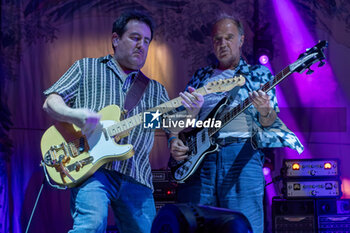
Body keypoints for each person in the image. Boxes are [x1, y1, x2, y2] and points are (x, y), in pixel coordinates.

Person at [43, 10, 203, 233]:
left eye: (146, 41)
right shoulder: (86, 68)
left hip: (136, 176)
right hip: (92, 171)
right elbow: (51, 101)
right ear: (116, 39)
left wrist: (191, 114)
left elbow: (169, 126)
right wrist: (76, 115)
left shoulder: (154, 90)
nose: (142, 45)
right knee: (90, 225)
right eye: (135, 38)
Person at [169, 15, 303, 233]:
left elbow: (270, 123)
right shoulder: (200, 76)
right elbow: (180, 121)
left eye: (229, 38)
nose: (223, 44)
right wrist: (175, 139)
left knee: (243, 225)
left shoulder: (258, 74)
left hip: (242, 156)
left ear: (241, 40)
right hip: (200, 162)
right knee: (196, 225)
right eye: (217, 39)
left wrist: (265, 111)